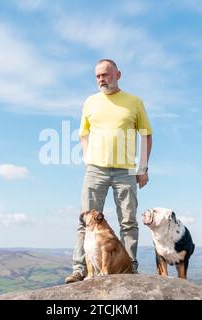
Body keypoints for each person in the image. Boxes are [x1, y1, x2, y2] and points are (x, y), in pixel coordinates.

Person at [65, 59, 153, 283]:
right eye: (97, 76)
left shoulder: (134, 102)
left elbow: (145, 134)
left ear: (118, 74)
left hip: (125, 171)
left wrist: (143, 168)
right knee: (85, 222)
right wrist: (87, 157)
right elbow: (83, 133)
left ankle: (130, 268)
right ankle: (79, 269)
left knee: (128, 222)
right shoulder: (90, 102)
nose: (101, 79)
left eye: (105, 74)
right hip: (95, 170)